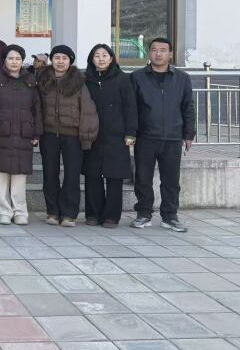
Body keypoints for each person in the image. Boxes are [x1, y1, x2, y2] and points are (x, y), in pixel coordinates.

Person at [130, 37, 195, 232]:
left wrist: (188, 134)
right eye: (154, 50)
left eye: (163, 50)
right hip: (145, 136)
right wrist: (131, 133)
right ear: (149, 52)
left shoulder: (182, 78)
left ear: (170, 54)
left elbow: (188, 107)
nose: (158, 54)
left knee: (171, 181)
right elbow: (131, 108)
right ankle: (143, 214)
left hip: (173, 137)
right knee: (143, 178)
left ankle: (170, 216)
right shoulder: (137, 77)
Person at [37, 45, 99, 227]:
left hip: (73, 136)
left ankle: (69, 214)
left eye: (64, 58)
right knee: (50, 174)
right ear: (51, 60)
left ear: (70, 61)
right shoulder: (43, 80)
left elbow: (87, 110)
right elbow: (37, 107)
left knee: (72, 175)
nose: (60, 62)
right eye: (57, 58)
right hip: (49, 134)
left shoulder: (79, 81)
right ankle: (52, 211)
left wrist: (87, 135)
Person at [0, 45, 42, 225]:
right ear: (4, 60)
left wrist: (37, 133)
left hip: (23, 133)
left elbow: (37, 109)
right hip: (0, 132)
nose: (14, 62)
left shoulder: (30, 81)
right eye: (11, 58)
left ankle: (20, 211)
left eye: (18, 58)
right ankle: (2, 211)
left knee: (19, 175)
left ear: (22, 61)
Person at [84, 44, 137, 228]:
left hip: (117, 134)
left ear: (112, 58)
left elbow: (131, 107)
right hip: (92, 134)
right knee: (92, 175)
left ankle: (111, 216)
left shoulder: (123, 79)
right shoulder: (86, 79)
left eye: (104, 55)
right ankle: (93, 214)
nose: (101, 59)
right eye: (97, 55)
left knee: (114, 177)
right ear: (91, 59)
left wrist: (131, 132)